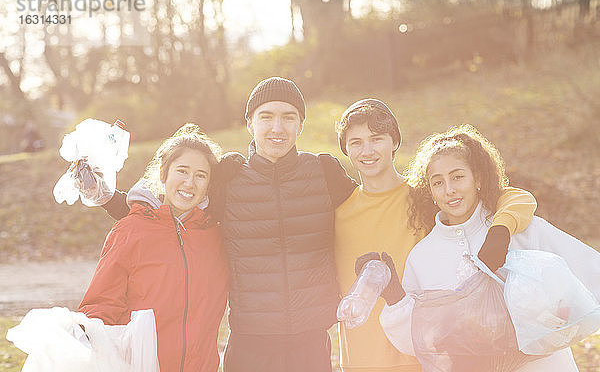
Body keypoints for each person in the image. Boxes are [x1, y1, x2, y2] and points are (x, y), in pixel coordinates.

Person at [101, 77, 358, 372]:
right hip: (250, 344)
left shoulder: (324, 172)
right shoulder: (229, 177)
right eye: (266, 116)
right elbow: (169, 215)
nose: (277, 127)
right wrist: (110, 199)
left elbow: (371, 210)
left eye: (289, 117)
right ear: (250, 123)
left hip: (310, 342)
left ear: (301, 125)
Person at [374, 124, 600, 371]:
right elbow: (417, 340)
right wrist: (395, 299)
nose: (449, 190)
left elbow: (588, 270)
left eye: (458, 177)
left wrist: (556, 311)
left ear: (477, 178)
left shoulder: (517, 227)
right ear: (430, 191)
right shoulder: (423, 257)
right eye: (437, 182)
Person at [334, 100, 539, 372]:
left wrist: (501, 229)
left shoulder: (427, 196)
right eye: (356, 142)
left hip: (425, 359)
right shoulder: (337, 214)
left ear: (394, 141)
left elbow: (512, 197)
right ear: (345, 149)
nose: (367, 150)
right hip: (360, 362)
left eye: (377, 138)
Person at [79, 123, 229, 372]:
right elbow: (101, 304)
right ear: (163, 174)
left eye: (201, 175)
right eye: (182, 171)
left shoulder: (217, 236)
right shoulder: (130, 231)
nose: (190, 183)